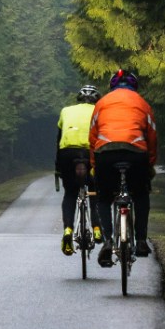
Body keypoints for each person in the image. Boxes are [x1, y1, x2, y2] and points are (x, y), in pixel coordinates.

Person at [89, 69, 157, 267]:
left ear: (112, 87)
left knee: (103, 198)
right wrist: (150, 164)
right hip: (136, 152)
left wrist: (94, 164)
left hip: (106, 153)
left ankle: (108, 240)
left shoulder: (101, 103)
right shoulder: (142, 103)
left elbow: (92, 137)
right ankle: (142, 241)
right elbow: (152, 136)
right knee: (141, 195)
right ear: (134, 87)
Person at [56, 84, 103, 255]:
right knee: (95, 190)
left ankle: (68, 230)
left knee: (70, 193)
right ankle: (97, 228)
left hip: (67, 153)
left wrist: (58, 168)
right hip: (90, 151)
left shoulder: (66, 111)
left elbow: (58, 139)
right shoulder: (100, 111)